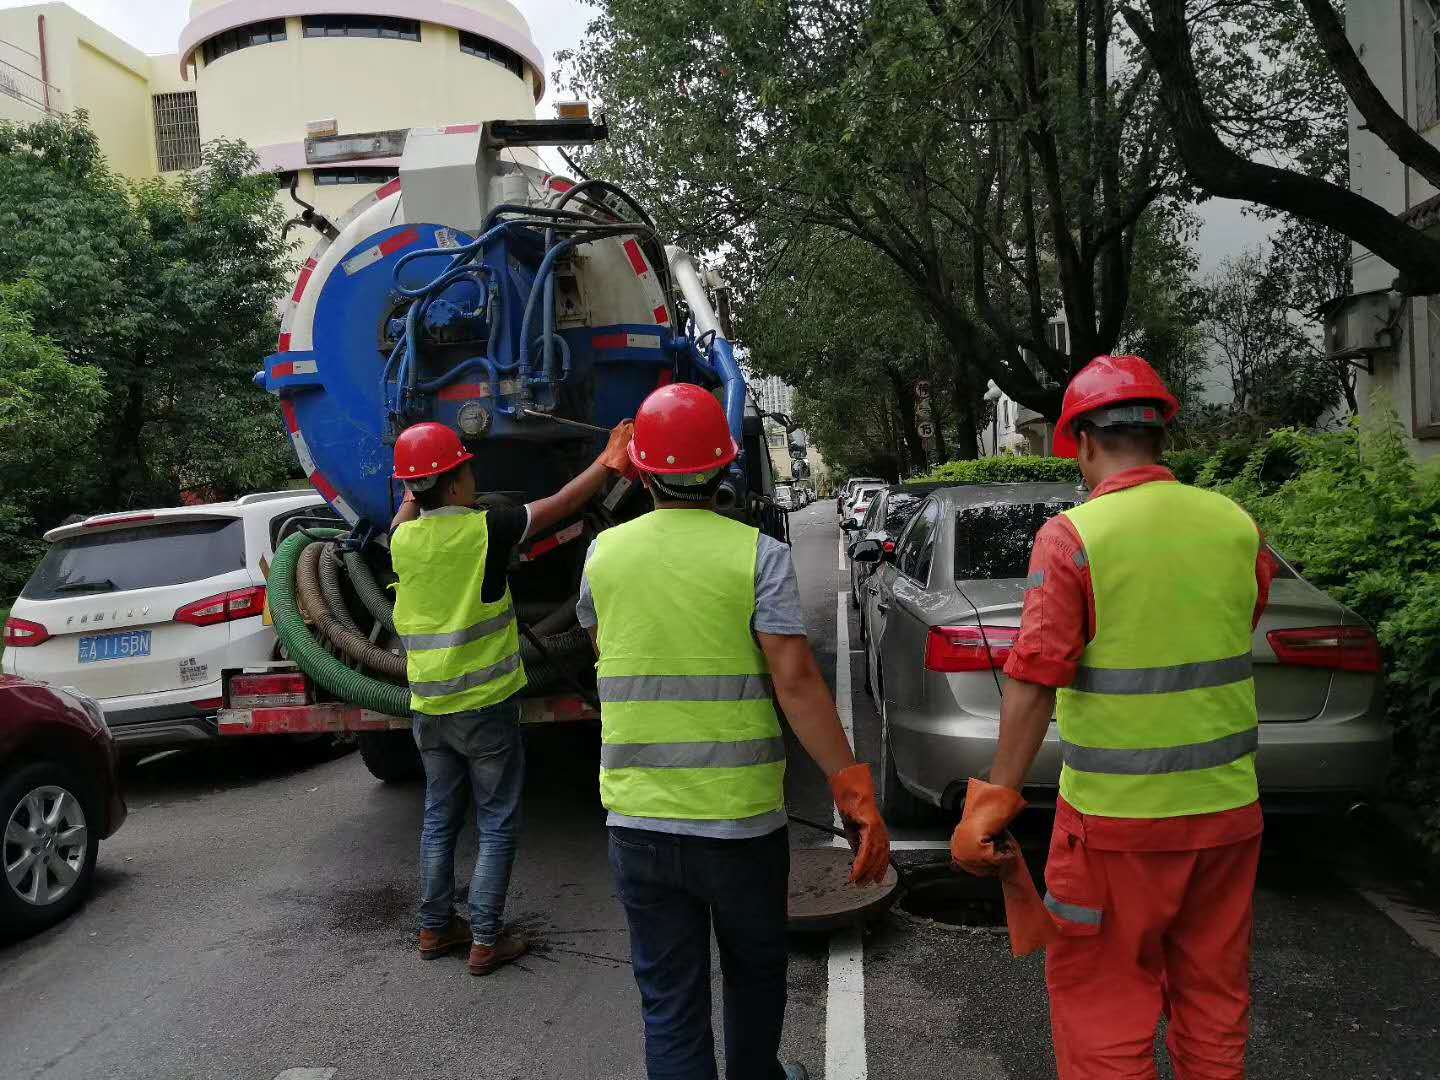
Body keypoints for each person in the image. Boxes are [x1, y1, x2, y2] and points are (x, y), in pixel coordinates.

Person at [950, 355, 1274, 1080]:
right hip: (1226, 817)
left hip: (1114, 831)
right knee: (1214, 1000)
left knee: (1105, 1004)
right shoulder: (1235, 525)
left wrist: (992, 804)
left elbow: (1034, 681)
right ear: (1161, 438)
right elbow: (1241, 620)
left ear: (1084, 442)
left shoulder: (1074, 538)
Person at [576, 383, 891, 1080]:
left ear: (642, 469)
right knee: (753, 974)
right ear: (725, 467)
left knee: (669, 1003)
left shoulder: (603, 557)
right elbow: (798, 683)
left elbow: (608, 648)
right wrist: (853, 792)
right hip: (740, 827)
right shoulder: (758, 557)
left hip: (639, 821)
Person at [389, 419, 633, 976]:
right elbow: (560, 504)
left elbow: (404, 511)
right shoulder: (486, 530)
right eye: (467, 469)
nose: (475, 477)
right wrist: (608, 460)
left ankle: (434, 926)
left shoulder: (402, 539)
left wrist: (414, 484)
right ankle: (485, 938)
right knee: (496, 820)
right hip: (485, 705)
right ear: (453, 484)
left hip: (429, 708)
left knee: (439, 818)